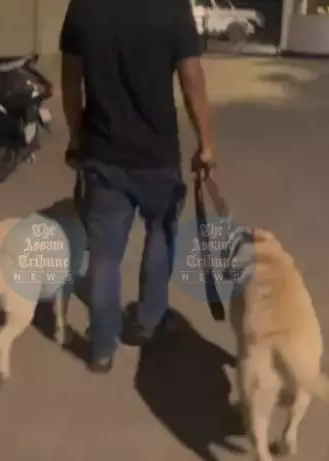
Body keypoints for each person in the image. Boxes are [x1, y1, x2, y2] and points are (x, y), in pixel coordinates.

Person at [60, 0, 217, 372]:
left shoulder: (83, 6)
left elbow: (70, 78)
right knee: (160, 237)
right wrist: (206, 142)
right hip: (157, 156)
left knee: (104, 255)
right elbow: (191, 76)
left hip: (103, 152)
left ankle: (102, 347)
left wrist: (76, 136)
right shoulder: (172, 6)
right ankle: (148, 321)